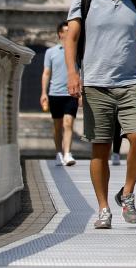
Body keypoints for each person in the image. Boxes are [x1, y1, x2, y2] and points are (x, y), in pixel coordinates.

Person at [64, 0, 136, 230]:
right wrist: (72, 73)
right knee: (99, 150)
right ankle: (103, 208)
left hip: (130, 83)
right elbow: (72, 38)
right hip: (95, 84)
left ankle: (127, 192)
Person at [40, 21, 78, 166]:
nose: (70, 33)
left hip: (71, 93)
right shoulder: (51, 52)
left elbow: (81, 71)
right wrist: (43, 93)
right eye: (67, 31)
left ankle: (67, 153)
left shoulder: (77, 51)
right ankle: (58, 153)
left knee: (68, 124)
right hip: (55, 93)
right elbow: (46, 73)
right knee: (57, 126)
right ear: (60, 34)